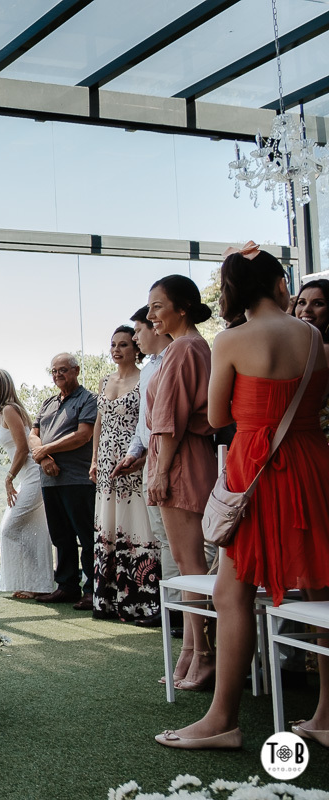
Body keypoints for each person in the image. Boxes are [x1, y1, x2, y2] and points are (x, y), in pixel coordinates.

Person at [155, 246, 329, 751]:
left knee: (231, 593)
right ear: (278, 283)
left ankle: (222, 720)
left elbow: (215, 416)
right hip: (313, 466)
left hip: (256, 470)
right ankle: (324, 713)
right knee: (320, 586)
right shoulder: (316, 338)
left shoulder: (231, 340)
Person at [145, 275, 218, 691]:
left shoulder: (185, 348)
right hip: (183, 457)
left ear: (183, 307)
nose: (152, 314)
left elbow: (169, 418)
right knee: (189, 565)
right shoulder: (188, 347)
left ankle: (203, 656)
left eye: (158, 306)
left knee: (191, 566)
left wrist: (159, 471)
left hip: (180, 461)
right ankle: (191, 652)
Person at [89, 326, 158, 622]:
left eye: (124, 345)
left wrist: (141, 457)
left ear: (136, 348)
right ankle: (106, 600)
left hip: (132, 459)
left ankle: (140, 602)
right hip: (105, 462)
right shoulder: (105, 380)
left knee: (135, 522)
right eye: (113, 345)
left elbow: (150, 421)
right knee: (107, 523)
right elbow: (98, 423)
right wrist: (93, 459)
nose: (117, 350)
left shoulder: (146, 378)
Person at [30, 353, 98, 610]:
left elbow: (82, 435)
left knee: (86, 535)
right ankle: (67, 587)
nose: (58, 375)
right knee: (61, 536)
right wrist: (43, 457)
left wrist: (45, 449)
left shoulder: (88, 399)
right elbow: (32, 435)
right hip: (50, 480)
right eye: (54, 371)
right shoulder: (47, 403)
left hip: (78, 479)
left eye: (63, 370)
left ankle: (92, 590)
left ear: (76, 370)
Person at [0, 369, 52, 600]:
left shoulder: (9, 410)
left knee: (9, 528)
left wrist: (9, 478)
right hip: (27, 478)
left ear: (2, 385)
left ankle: (35, 582)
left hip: (33, 476)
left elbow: (22, 449)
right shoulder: (3, 412)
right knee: (33, 531)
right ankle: (36, 583)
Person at [292, 278, 329, 440]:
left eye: (318, 303)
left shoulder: (325, 349)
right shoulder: (303, 345)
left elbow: (313, 403)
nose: (306, 309)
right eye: (301, 302)